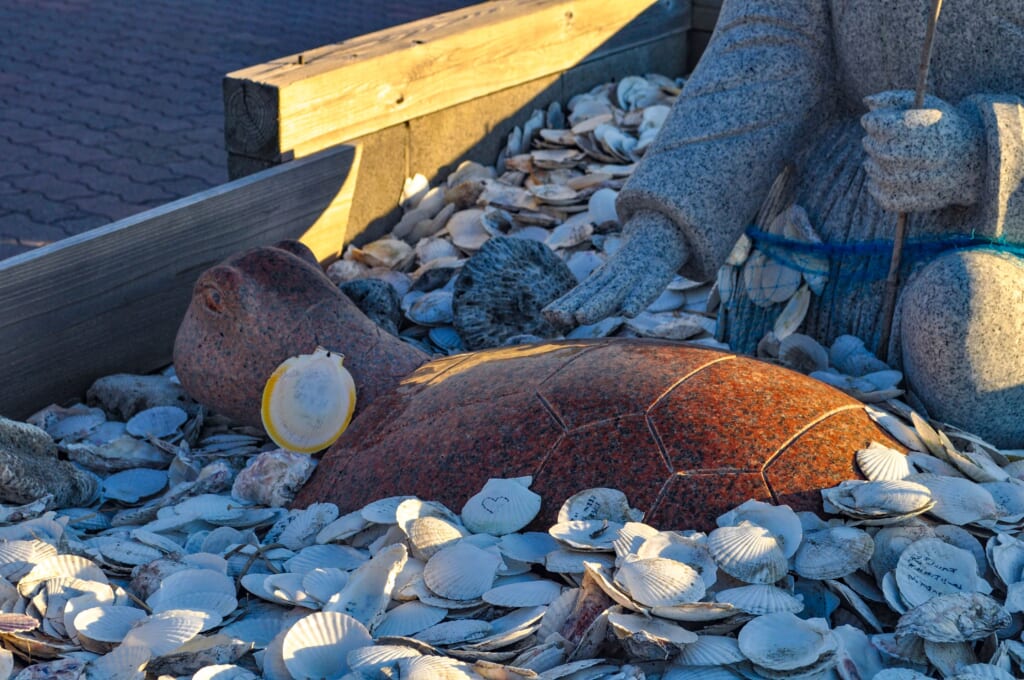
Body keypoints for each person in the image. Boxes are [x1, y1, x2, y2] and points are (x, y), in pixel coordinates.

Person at [544, 0, 1024, 446]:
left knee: (964, 316)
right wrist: (665, 222)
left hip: (1000, 245)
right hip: (831, 205)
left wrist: (985, 153)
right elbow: (768, 44)